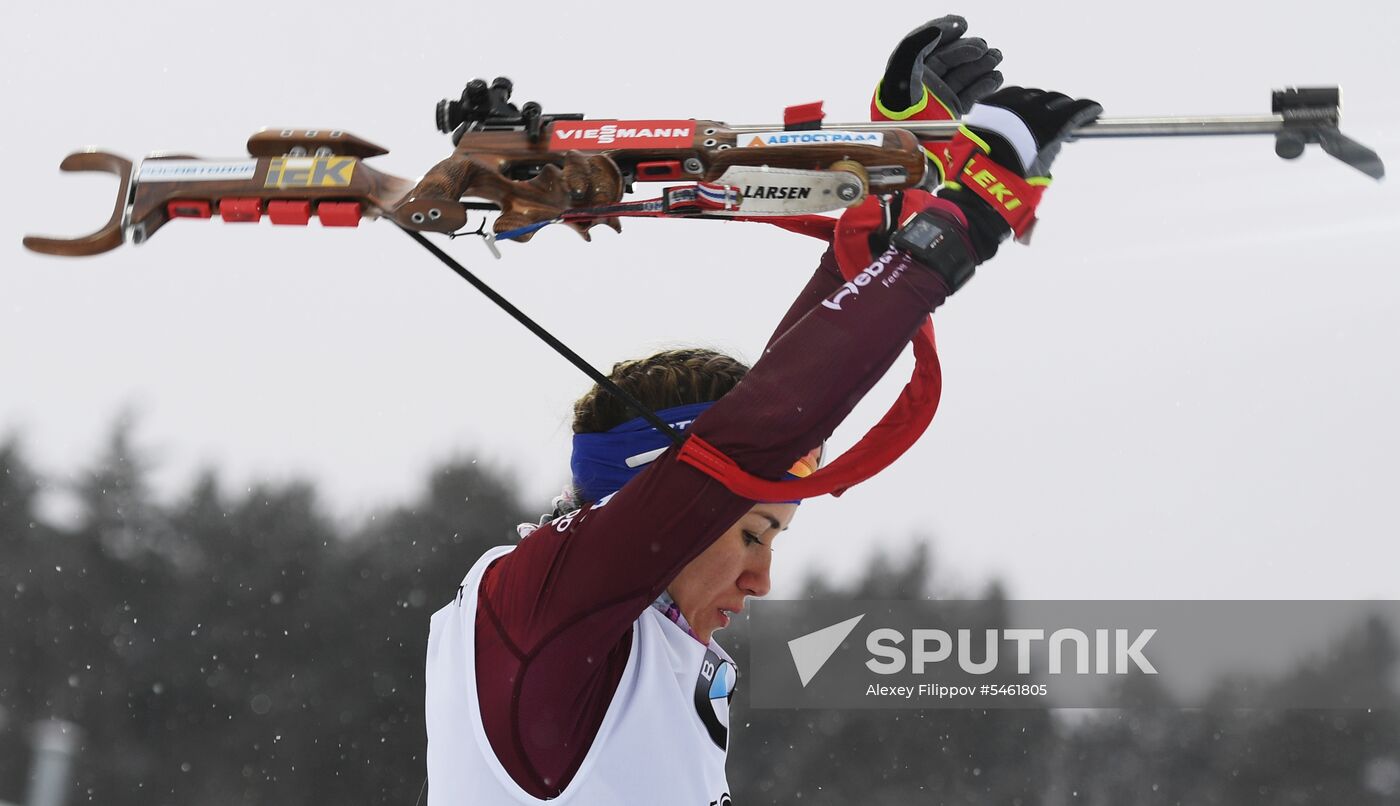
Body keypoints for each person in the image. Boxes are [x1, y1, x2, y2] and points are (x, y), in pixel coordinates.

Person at [424, 16, 1101, 805]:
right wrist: (964, 219)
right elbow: (762, 431)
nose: (763, 580)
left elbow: (786, 413)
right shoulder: (541, 610)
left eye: (764, 535)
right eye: (754, 533)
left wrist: (912, 200)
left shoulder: (611, 625)